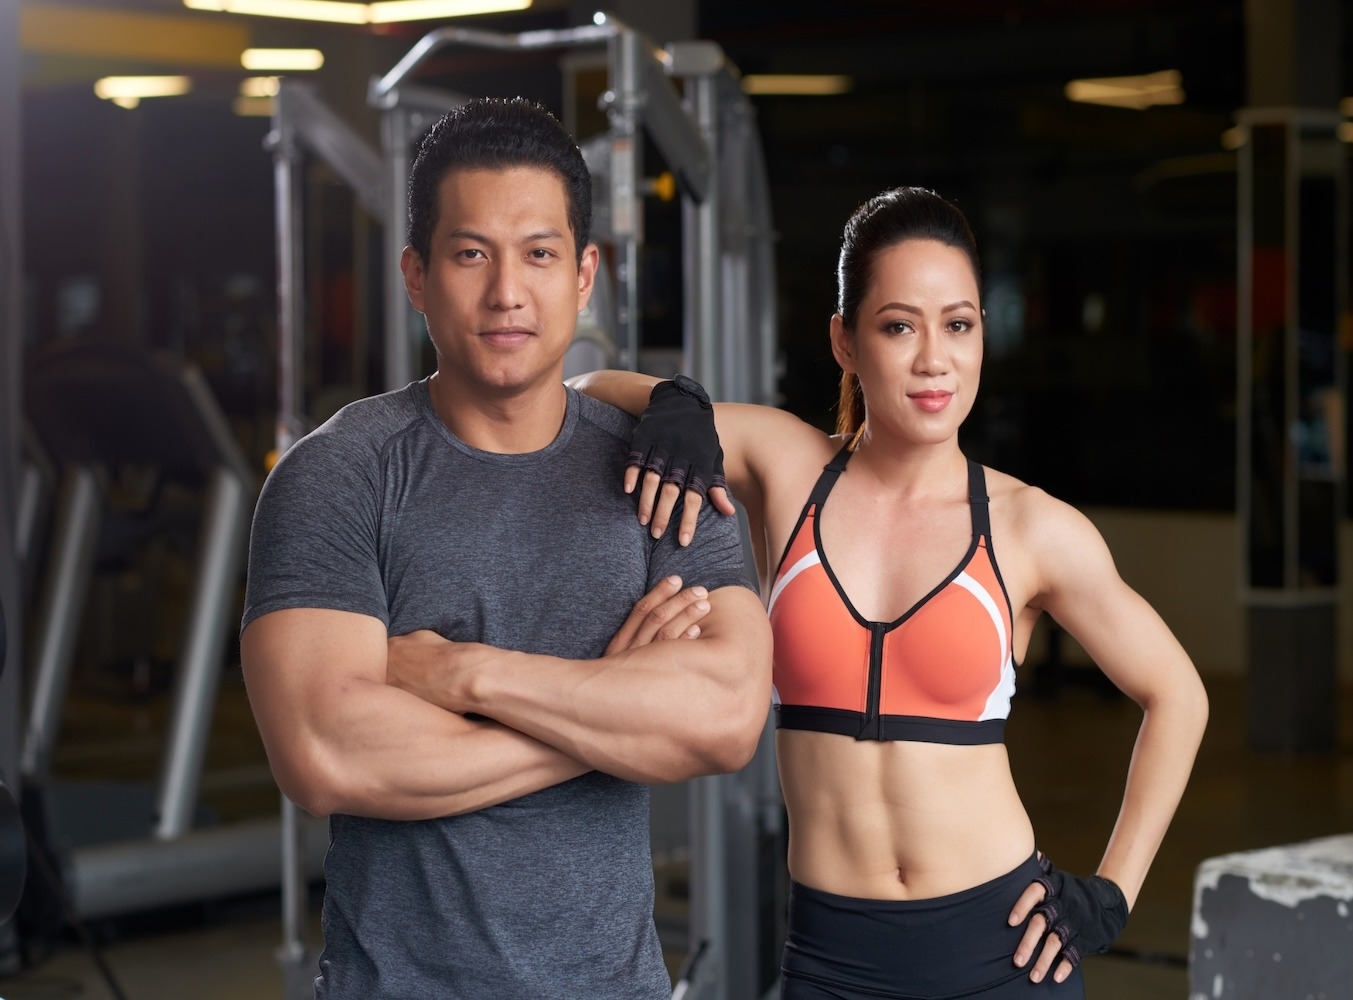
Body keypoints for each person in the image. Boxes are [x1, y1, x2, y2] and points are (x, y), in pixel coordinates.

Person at [570, 186, 1209, 998]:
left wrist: (1112, 891)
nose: (934, 359)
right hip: (831, 959)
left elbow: (1177, 696)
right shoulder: (787, 465)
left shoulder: (1028, 528)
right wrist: (674, 402)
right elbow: (584, 392)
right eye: (899, 326)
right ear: (844, 340)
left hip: (1001, 953)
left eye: (959, 325)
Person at [240, 96, 772, 999]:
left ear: (584, 274)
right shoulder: (337, 477)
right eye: (469, 253)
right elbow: (327, 753)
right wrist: (611, 711)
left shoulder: (664, 472)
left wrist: (466, 677)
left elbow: (724, 719)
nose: (505, 293)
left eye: (538, 254)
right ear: (416, 275)